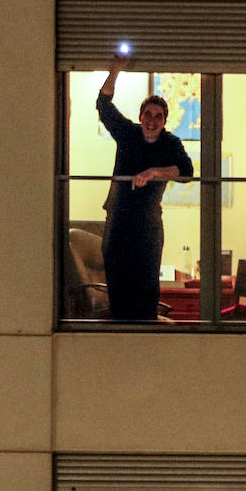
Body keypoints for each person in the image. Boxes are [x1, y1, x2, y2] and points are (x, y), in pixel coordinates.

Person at [95, 53, 194, 320]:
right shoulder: (128, 133)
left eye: (158, 117)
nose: (151, 121)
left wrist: (155, 173)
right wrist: (115, 70)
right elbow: (103, 104)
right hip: (118, 220)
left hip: (148, 223)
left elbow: (187, 172)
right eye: (147, 115)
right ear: (140, 116)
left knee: (147, 286)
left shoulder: (170, 143)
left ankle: (146, 330)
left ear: (164, 121)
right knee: (117, 284)